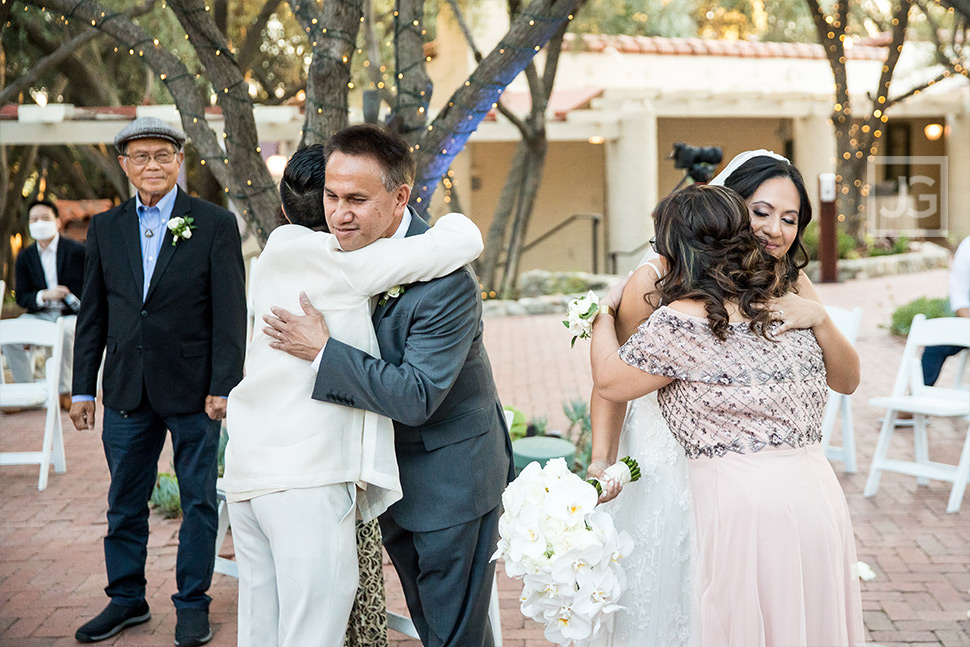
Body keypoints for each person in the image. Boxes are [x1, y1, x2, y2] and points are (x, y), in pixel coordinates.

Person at [587, 150, 860, 646]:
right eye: (761, 212)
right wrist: (601, 459)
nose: (775, 229)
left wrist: (819, 317)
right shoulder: (658, 278)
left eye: (790, 218)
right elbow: (613, 386)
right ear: (728, 207)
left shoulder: (789, 280)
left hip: (749, 483)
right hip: (671, 467)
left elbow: (846, 378)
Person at [223, 145, 484, 647]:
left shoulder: (273, 252)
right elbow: (459, 240)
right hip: (305, 476)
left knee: (261, 628)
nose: (343, 213)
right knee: (314, 630)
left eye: (354, 197)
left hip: (248, 473)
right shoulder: (341, 261)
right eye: (333, 196)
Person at [70, 116, 246, 646]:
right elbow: (94, 314)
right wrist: (83, 387)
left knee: (198, 500)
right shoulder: (106, 227)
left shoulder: (213, 223)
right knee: (124, 500)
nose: (153, 165)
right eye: (141, 156)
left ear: (179, 162)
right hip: (125, 388)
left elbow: (230, 312)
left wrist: (224, 384)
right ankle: (126, 598)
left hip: (195, 391)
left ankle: (192, 602)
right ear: (125, 165)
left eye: (163, 155)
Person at [3, 199, 84, 410]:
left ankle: (63, 391)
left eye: (45, 218)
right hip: (40, 314)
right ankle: (24, 391)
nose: (39, 223)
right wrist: (44, 295)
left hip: (71, 315)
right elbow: (22, 297)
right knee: (10, 335)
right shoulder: (24, 256)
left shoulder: (77, 251)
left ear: (57, 222)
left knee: (64, 331)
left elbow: (89, 289)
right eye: (34, 219)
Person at [921, 236, 969, 385]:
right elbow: (958, 294)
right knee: (935, 345)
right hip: (968, 322)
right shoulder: (968, 246)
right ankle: (917, 396)